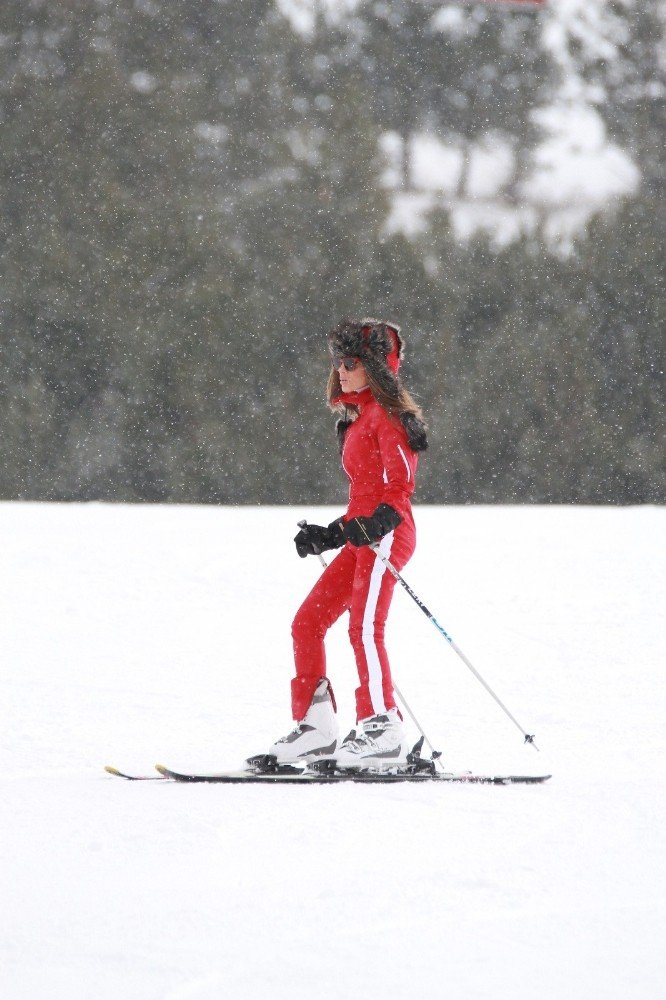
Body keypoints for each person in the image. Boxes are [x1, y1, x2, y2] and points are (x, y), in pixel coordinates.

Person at [267, 318, 428, 769]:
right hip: (365, 536)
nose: (341, 370)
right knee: (308, 622)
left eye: (352, 362)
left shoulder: (390, 417)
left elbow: (399, 489)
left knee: (362, 628)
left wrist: (375, 526)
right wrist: (331, 533)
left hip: (389, 535)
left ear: (375, 368)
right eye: (339, 362)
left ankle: (381, 728)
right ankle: (315, 730)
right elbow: (362, 498)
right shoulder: (358, 421)